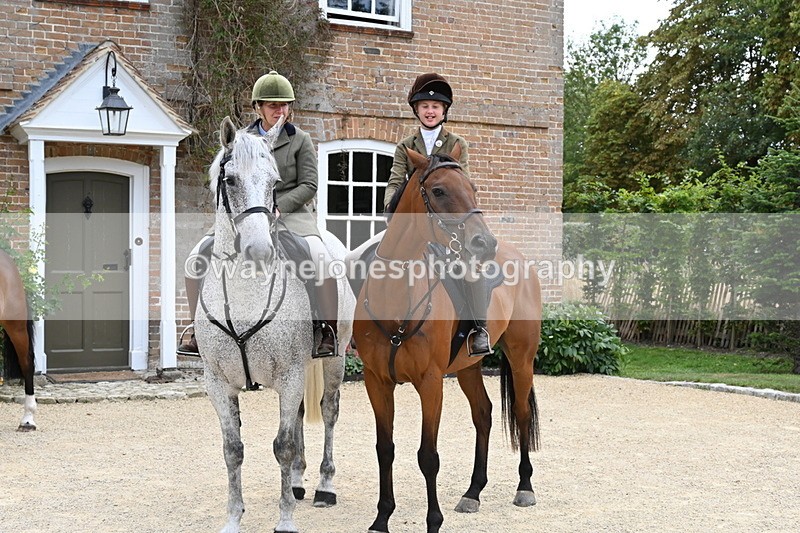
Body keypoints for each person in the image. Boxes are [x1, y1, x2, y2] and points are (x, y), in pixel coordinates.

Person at [179, 71, 339, 357]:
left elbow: (309, 184)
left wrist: (279, 208)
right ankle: (196, 329)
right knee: (195, 257)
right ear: (258, 108)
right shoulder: (240, 140)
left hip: (290, 215)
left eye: (285, 105)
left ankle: (326, 329)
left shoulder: (299, 140)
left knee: (321, 258)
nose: (280, 110)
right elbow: (225, 180)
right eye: (272, 105)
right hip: (244, 217)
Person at [347, 72, 490, 357]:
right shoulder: (405, 146)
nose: (430, 110)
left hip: (445, 225)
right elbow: (395, 180)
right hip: (409, 224)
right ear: (417, 110)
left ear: (444, 111)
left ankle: (478, 328)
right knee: (355, 260)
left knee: (471, 269)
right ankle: (358, 329)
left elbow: (461, 185)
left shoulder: (456, 143)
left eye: (435, 107)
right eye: (424, 106)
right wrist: (391, 209)